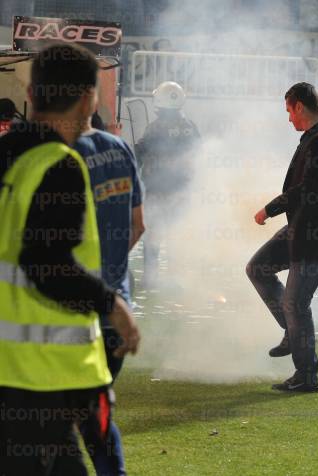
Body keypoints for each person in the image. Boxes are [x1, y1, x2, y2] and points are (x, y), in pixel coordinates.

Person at [0, 43, 140, 475]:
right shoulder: (59, 164)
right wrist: (112, 305)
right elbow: (44, 262)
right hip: (44, 376)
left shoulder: (8, 154)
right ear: (86, 97)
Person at [246, 82, 318, 393]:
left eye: (289, 112)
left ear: (299, 107)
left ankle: (307, 375)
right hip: (303, 228)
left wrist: (269, 209)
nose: (289, 120)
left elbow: (306, 190)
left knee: (296, 303)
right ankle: (291, 333)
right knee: (258, 268)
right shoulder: (315, 136)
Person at [74, 112, 145, 475]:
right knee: (94, 418)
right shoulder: (121, 150)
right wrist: (112, 269)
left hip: (74, 315)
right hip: (118, 309)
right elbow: (139, 225)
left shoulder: (62, 156)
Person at [135, 81, 200, 286]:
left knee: (152, 237)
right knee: (176, 236)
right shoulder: (190, 126)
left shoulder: (156, 127)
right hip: (182, 193)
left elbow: (139, 153)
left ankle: (150, 279)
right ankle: (175, 279)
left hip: (157, 191)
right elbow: (200, 157)